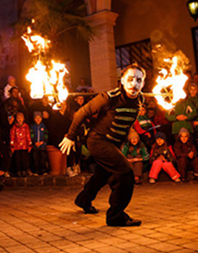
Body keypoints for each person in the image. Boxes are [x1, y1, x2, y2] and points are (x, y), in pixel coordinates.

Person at [59, 63, 145, 227]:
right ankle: (115, 216)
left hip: (114, 144)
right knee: (125, 173)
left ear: (143, 83)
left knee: (103, 175)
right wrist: (70, 136)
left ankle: (83, 200)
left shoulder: (139, 99)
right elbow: (82, 112)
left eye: (139, 80)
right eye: (130, 79)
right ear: (122, 80)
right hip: (98, 140)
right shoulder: (109, 97)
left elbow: (126, 123)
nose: (134, 84)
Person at [9, 112, 32, 177]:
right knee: (18, 159)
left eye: (21, 118)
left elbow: (28, 135)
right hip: (17, 146)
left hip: (24, 146)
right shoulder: (14, 127)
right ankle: (18, 170)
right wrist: (12, 144)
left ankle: (25, 169)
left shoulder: (26, 127)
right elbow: (12, 136)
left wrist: (29, 143)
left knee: (24, 158)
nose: (20, 119)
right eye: (18, 118)